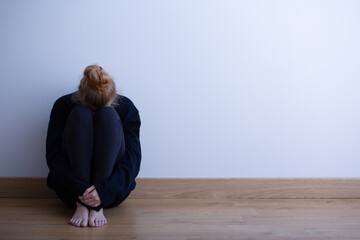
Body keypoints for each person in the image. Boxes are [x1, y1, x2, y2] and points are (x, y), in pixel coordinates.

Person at [45, 64, 141, 228]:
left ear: (113, 98)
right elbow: (54, 155)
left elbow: (133, 158)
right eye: (91, 109)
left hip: (112, 192)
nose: (95, 116)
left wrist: (102, 193)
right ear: (79, 96)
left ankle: (96, 204)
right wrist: (80, 191)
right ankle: (83, 203)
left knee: (108, 116)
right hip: (70, 191)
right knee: (81, 114)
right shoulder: (63, 105)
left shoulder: (126, 108)